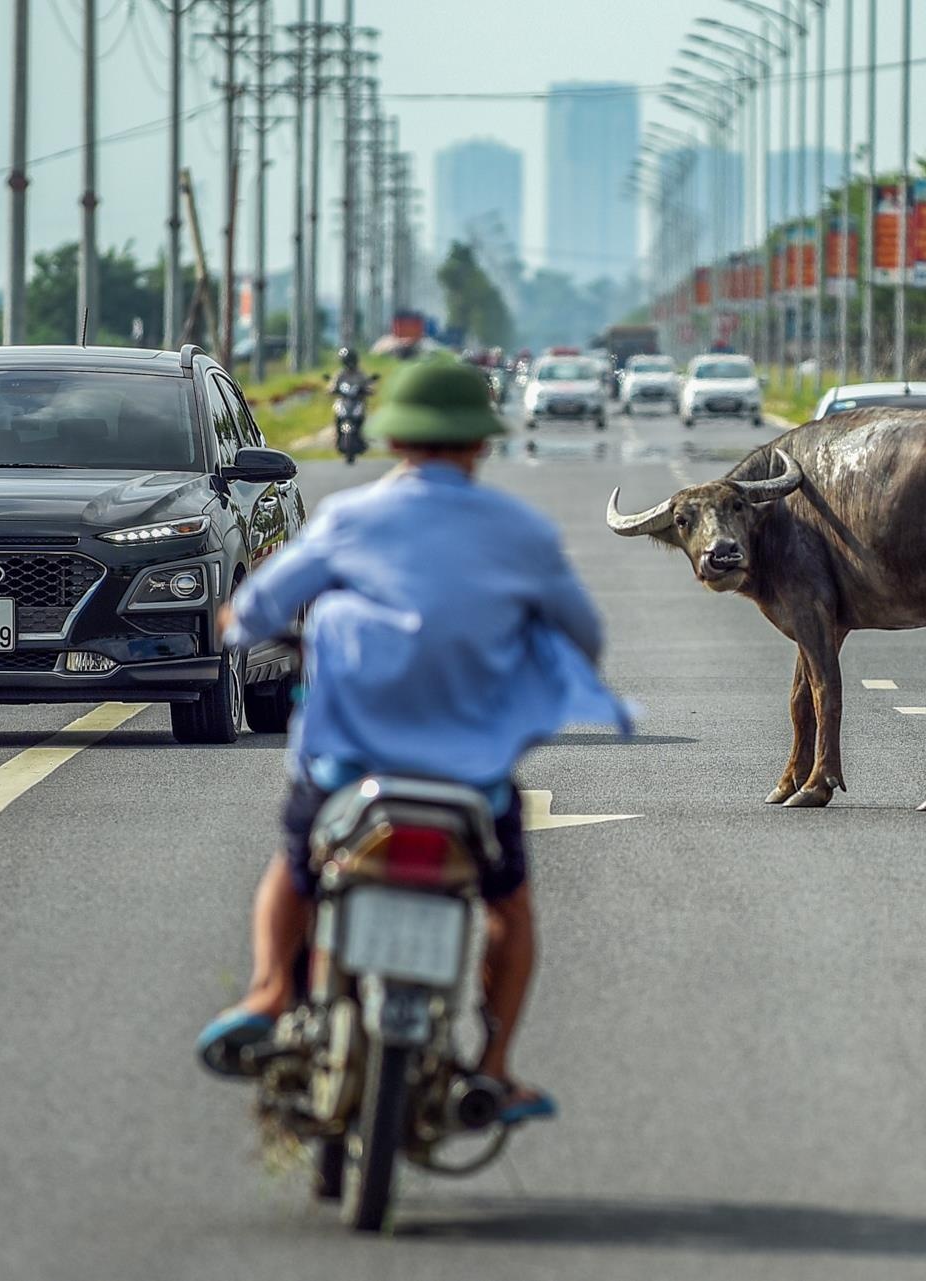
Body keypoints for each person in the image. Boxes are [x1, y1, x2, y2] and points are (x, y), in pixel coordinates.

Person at [196, 359, 628, 1125]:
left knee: (297, 864)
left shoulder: (350, 518)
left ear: (391, 434)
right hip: (471, 778)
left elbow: (258, 607)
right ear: (480, 445)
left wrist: (238, 626)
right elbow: (583, 633)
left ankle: (268, 991)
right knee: (509, 907)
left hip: (350, 765)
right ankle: (493, 1065)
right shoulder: (520, 532)